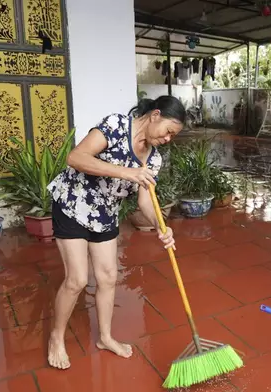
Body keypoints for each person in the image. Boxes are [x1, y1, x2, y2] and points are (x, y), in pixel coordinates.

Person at [46, 95, 185, 369]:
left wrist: (161, 226)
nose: (168, 139)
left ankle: (106, 337)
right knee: (76, 280)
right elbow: (75, 157)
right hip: (74, 202)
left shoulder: (152, 159)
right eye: (168, 131)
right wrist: (126, 172)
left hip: (105, 213)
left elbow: (145, 201)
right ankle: (56, 338)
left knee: (108, 277)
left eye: (173, 136)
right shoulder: (115, 125)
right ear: (155, 115)